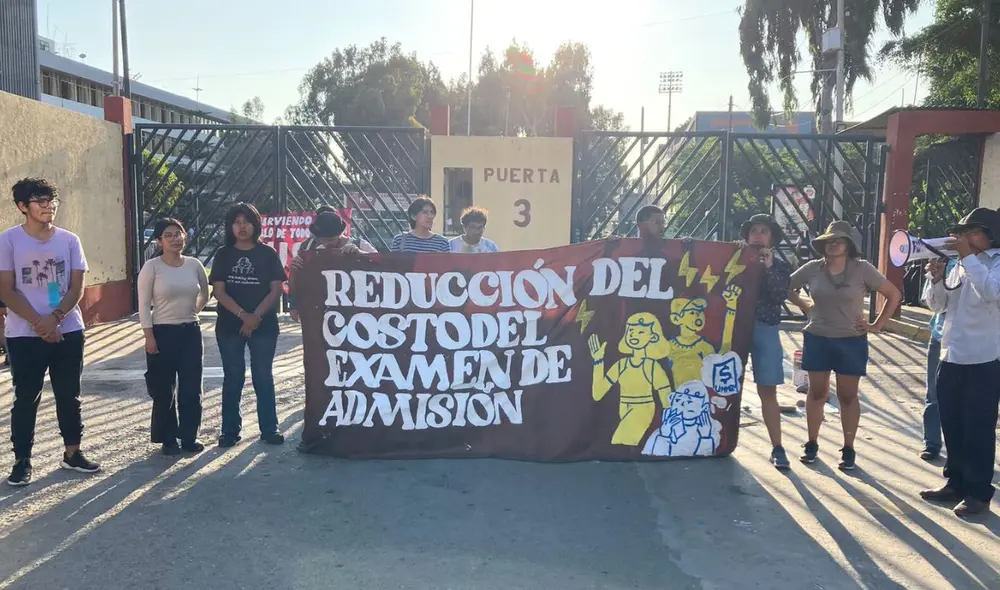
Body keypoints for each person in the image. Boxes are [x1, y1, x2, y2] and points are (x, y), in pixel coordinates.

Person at [0, 178, 100, 486]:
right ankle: (22, 461)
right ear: (22, 207)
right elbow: (6, 288)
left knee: (69, 395)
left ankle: (72, 453)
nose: (48, 207)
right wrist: (39, 322)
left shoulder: (69, 240)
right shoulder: (8, 240)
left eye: (52, 201)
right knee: (26, 397)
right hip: (23, 333)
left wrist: (55, 318)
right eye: (40, 201)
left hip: (67, 330)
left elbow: (76, 286)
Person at [787, 220, 901, 470]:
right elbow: (787, 286)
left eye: (838, 240)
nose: (833, 244)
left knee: (848, 396)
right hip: (817, 337)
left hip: (850, 340)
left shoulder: (862, 269)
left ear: (849, 245)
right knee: (817, 393)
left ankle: (848, 448)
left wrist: (876, 325)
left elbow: (893, 294)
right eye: (829, 240)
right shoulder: (813, 268)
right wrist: (806, 307)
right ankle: (811, 443)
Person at [920, 208, 1000, 517]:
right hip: (951, 355)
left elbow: (992, 293)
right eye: (962, 233)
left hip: (984, 358)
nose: (964, 238)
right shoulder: (958, 264)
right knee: (951, 424)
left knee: (977, 428)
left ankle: (978, 492)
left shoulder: (993, 264)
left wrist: (967, 258)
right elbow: (938, 306)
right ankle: (955, 482)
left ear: (990, 235)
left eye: (972, 232)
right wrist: (936, 280)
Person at [210, 203, 287, 448]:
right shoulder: (223, 254)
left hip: (263, 326)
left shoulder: (268, 254)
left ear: (255, 224)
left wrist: (255, 317)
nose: (242, 227)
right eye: (236, 222)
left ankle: (270, 428)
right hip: (229, 326)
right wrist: (244, 315)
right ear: (230, 226)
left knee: (262, 375)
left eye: (246, 221)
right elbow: (219, 292)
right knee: (233, 376)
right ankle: (229, 431)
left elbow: (276, 289)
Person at [138, 218, 210, 455]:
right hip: (161, 332)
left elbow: (205, 292)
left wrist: (193, 312)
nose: (174, 239)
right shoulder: (152, 267)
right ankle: (168, 438)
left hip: (190, 331)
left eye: (178, 234)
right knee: (164, 389)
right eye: (168, 235)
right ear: (159, 241)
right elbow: (143, 305)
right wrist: (149, 337)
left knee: (191, 387)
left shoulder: (194, 265)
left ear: (185, 236)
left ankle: (189, 437)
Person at [737, 214, 793, 469]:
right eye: (754, 230)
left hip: (765, 328)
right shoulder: (734, 258)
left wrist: (768, 267)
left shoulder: (780, 265)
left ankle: (777, 447)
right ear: (747, 236)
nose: (758, 235)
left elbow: (779, 295)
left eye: (764, 231)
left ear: (772, 237)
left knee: (767, 390)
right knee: (721, 384)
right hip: (734, 328)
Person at [288, 210, 376, 321]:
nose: (327, 244)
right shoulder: (313, 251)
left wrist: (361, 254)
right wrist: (294, 270)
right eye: (323, 240)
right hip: (326, 310)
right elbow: (300, 283)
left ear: (341, 234)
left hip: (358, 308)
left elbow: (382, 265)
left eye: (331, 240)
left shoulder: (360, 245)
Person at [920, 257, 956, 462]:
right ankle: (931, 443)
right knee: (933, 393)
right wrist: (936, 280)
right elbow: (934, 305)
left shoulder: (990, 264)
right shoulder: (946, 263)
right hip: (940, 336)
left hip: (971, 342)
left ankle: (960, 449)